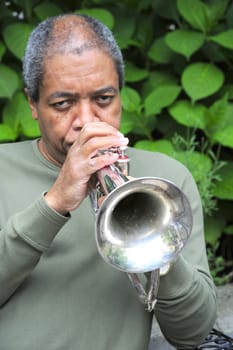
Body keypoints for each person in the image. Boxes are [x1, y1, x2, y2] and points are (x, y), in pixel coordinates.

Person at [0, 14, 216, 350]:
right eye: (62, 104)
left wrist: (157, 241)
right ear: (32, 103)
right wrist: (54, 203)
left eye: (103, 99)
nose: (86, 122)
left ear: (120, 94)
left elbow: (193, 334)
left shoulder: (165, 181)